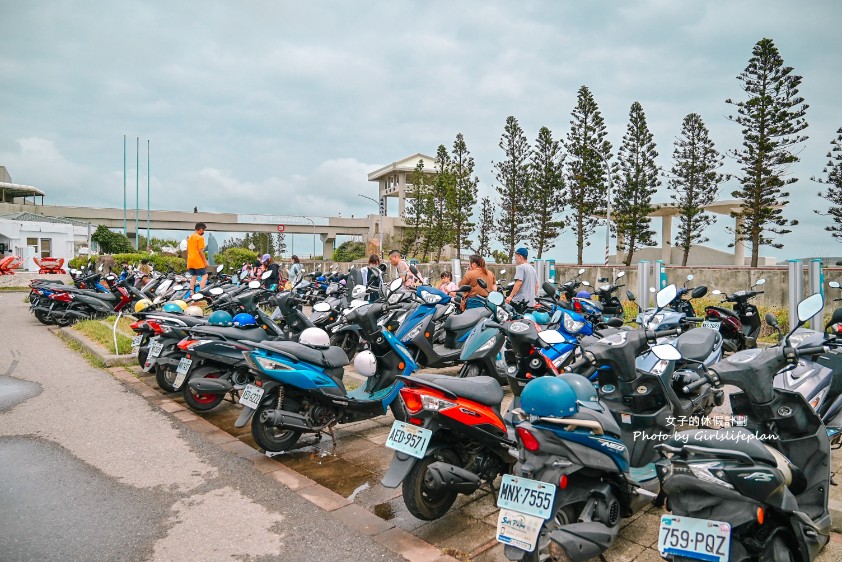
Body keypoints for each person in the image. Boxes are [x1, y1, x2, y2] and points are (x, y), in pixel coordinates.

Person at [187, 222, 209, 293]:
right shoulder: (200, 238)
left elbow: (187, 250)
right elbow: (200, 251)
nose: (203, 232)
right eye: (203, 230)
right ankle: (201, 292)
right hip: (197, 259)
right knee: (205, 275)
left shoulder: (190, 238)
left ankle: (191, 293)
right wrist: (205, 261)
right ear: (200, 230)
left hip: (190, 260)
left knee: (194, 276)